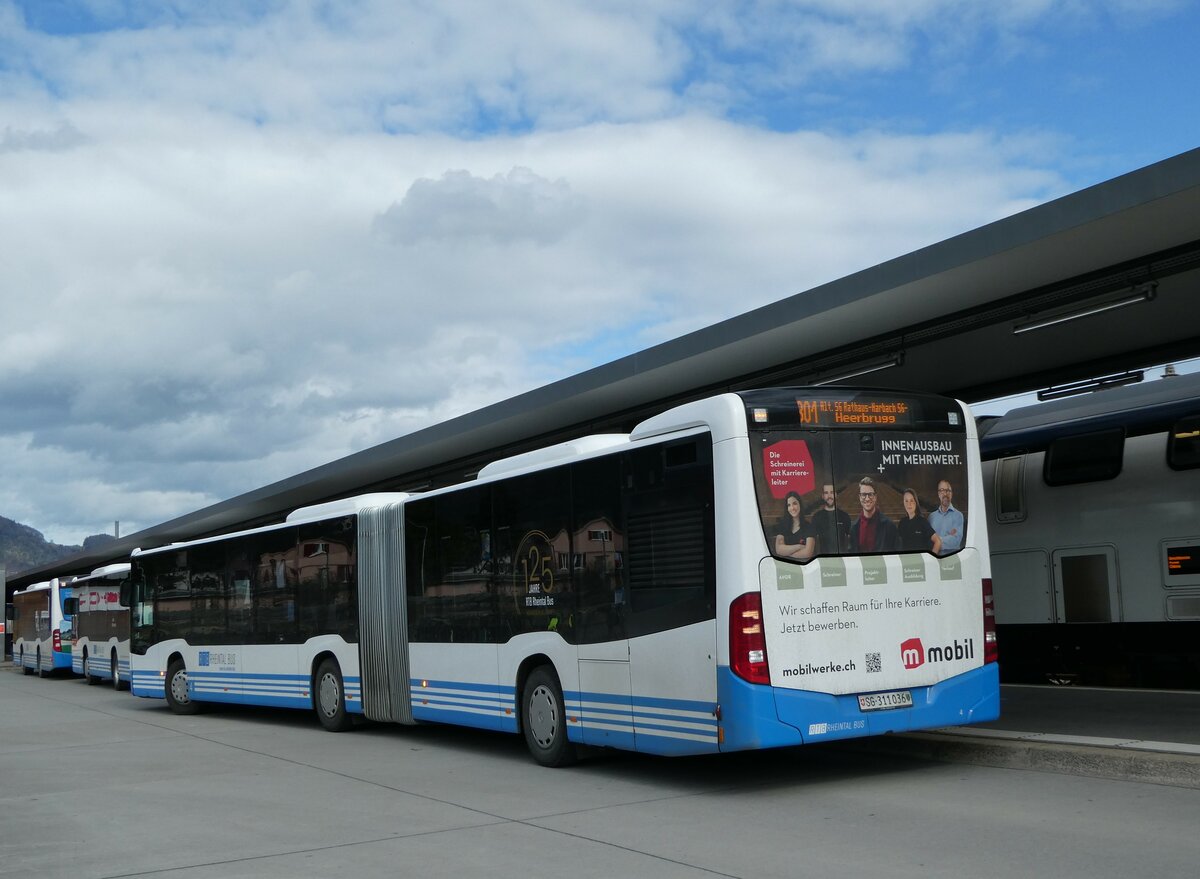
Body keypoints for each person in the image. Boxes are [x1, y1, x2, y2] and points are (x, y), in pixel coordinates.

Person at [848, 477, 899, 553]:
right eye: (863, 495)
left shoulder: (890, 526)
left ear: (875, 497)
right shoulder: (853, 528)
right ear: (859, 497)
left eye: (870, 494)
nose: (867, 499)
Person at [809, 483, 851, 555]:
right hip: (824, 558)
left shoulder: (845, 516)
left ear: (835, 495)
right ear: (823, 496)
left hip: (842, 558)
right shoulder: (816, 517)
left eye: (832, 492)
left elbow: (849, 541)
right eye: (826, 493)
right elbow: (813, 543)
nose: (829, 496)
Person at [897, 488, 942, 555]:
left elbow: (938, 541)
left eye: (911, 500)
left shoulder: (922, 521)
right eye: (906, 501)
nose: (909, 504)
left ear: (916, 502)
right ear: (903, 502)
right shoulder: (902, 522)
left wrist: (931, 560)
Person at [773, 491, 815, 560]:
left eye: (794, 503)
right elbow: (779, 550)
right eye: (789, 505)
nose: (792, 508)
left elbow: (808, 553)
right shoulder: (783, 526)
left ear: (800, 505)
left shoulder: (809, 527)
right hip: (786, 565)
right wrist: (799, 546)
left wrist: (787, 552)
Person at [928, 479, 965, 556]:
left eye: (948, 490)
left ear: (951, 494)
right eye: (942, 490)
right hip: (934, 557)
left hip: (953, 557)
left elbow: (956, 541)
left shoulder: (958, 516)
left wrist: (936, 541)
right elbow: (928, 541)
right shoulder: (931, 517)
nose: (945, 493)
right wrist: (948, 537)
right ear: (938, 494)